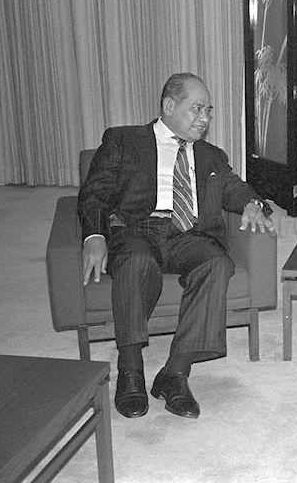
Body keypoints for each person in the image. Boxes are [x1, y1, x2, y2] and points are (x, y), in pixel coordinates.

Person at [78, 72, 275, 419]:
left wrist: (252, 203)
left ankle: (175, 372)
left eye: (209, 111)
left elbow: (234, 187)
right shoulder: (123, 140)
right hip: (139, 230)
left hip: (189, 236)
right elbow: (94, 193)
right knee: (137, 261)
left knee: (217, 262)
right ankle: (131, 369)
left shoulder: (212, 155)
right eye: (197, 109)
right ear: (169, 106)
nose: (205, 118)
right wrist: (94, 236)